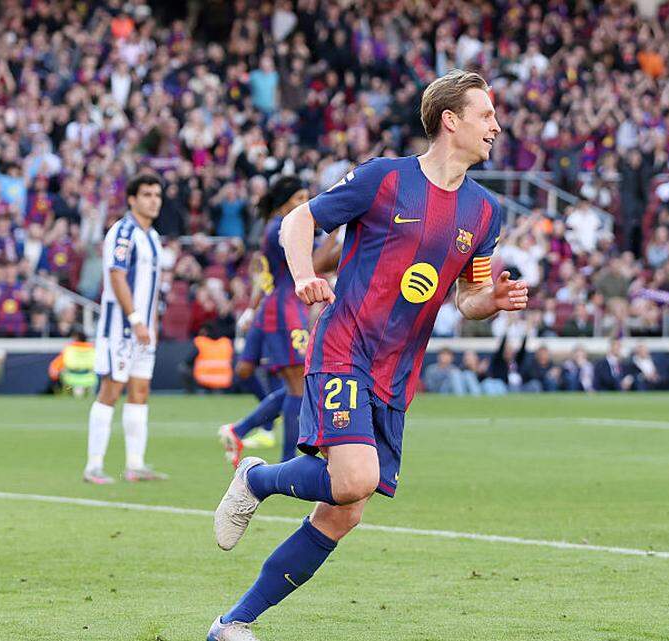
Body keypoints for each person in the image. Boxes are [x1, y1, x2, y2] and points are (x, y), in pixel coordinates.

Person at [207, 70, 528, 640]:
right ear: (450, 121)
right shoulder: (385, 178)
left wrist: (492, 301)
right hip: (344, 346)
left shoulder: (484, 211)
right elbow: (299, 220)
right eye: (486, 115)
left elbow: (469, 297)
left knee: (343, 511)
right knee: (355, 477)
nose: (496, 126)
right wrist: (303, 275)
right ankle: (257, 479)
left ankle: (232, 623)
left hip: (397, 373)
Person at [219, 176, 339, 466]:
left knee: (290, 383)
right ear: (285, 201)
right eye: (299, 198)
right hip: (285, 310)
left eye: (306, 198)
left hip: (280, 307)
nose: (305, 204)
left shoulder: (280, 227)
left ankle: (242, 430)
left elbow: (323, 261)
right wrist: (336, 228)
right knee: (298, 386)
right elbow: (316, 263)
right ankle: (287, 460)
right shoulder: (283, 228)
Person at [84, 172, 168, 484]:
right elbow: (117, 276)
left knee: (140, 391)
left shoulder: (153, 237)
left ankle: (135, 464)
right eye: (147, 195)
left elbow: (153, 288)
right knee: (111, 389)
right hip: (120, 327)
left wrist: (151, 324)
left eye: (157, 195)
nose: (154, 201)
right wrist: (135, 319)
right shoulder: (123, 232)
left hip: (145, 330)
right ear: (132, 199)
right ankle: (93, 466)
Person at [47, 328, 97, 397]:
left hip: (71, 378)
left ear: (76, 338)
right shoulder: (92, 349)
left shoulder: (69, 349)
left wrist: (54, 374)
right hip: (89, 378)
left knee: (66, 384)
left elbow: (55, 367)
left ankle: (67, 393)